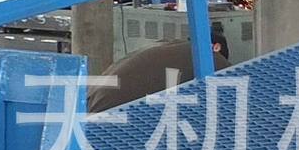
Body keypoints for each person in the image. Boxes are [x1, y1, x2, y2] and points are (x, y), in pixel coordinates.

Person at [88, 27, 231, 114]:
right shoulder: (211, 59)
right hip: (113, 113)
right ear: (216, 47)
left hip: (92, 102)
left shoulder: (169, 46)